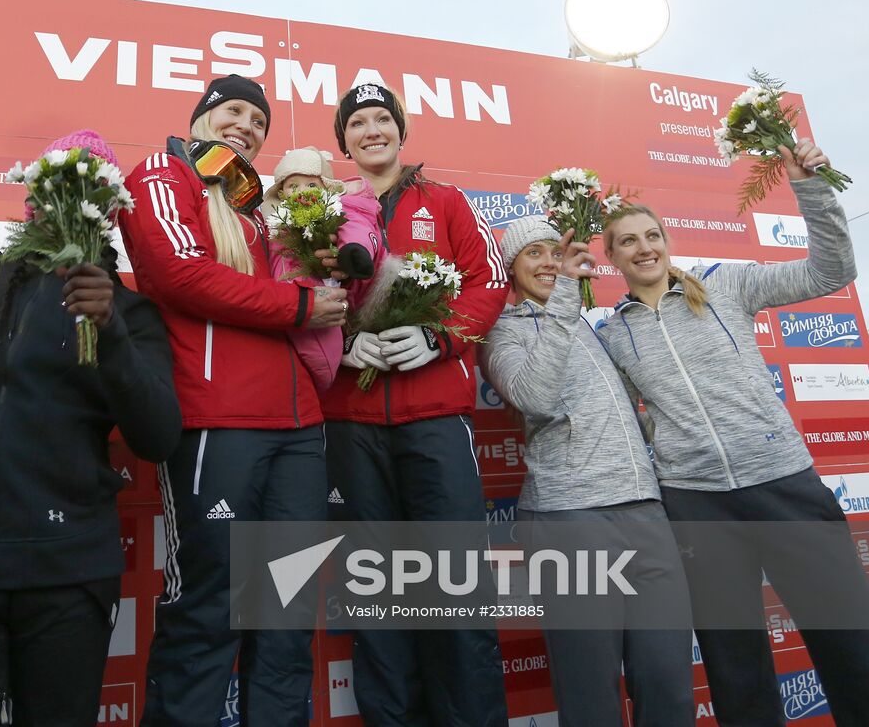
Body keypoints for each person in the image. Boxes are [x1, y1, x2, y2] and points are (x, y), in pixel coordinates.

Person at [0, 129, 182, 726]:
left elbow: (159, 436)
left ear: (112, 210)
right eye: (62, 185)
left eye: (94, 188)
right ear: (34, 198)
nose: (71, 201)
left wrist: (113, 332)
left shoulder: (129, 310)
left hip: (68, 576)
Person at [598, 139, 869, 726]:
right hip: (695, 502)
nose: (643, 247)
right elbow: (629, 415)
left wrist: (810, 188)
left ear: (666, 242)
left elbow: (833, 269)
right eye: (628, 241)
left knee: (850, 635)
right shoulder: (612, 333)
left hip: (783, 483)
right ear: (613, 258)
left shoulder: (725, 285)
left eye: (651, 236)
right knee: (733, 663)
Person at [118, 75, 347, 727]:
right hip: (218, 421)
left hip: (301, 428)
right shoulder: (166, 170)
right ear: (203, 116)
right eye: (234, 112)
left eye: (258, 121)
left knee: (288, 613)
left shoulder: (257, 207)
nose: (246, 126)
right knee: (210, 609)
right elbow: (178, 271)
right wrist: (301, 304)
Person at [322, 81, 510, 727]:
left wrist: (439, 337)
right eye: (358, 123)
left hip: (435, 422)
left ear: (401, 131)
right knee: (379, 601)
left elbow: (489, 280)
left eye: (382, 119)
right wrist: (340, 344)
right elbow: (293, 288)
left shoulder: (450, 202)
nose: (372, 131)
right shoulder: (325, 211)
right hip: (352, 425)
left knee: (456, 596)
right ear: (343, 140)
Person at [481, 216, 692, 727]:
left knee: (668, 685)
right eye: (534, 253)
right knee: (590, 693)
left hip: (644, 510)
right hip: (569, 517)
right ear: (511, 268)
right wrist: (563, 304)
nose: (550, 262)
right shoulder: (501, 333)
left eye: (556, 251)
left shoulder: (596, 325)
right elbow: (534, 396)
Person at [261, 145, 384, 390]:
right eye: (293, 186)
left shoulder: (341, 206)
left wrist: (353, 253)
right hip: (303, 300)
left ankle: (354, 255)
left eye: (311, 185)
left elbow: (358, 227)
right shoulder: (279, 223)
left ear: (326, 188)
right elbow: (278, 260)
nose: (302, 192)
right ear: (283, 194)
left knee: (351, 225)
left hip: (347, 298)